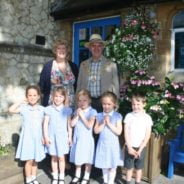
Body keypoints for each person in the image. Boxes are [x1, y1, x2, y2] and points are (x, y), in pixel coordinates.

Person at [8, 85, 45, 184]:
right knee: (29, 160)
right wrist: (20, 101)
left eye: (34, 95)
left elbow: (43, 125)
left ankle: (34, 177)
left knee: (35, 160)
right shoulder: (24, 108)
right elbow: (11, 110)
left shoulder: (42, 109)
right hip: (27, 139)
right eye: (30, 95)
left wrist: (44, 137)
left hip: (37, 138)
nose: (32, 97)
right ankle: (28, 180)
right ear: (27, 97)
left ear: (38, 96)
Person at [76, 34, 119, 112]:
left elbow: (116, 87)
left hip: (105, 103)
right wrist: (77, 105)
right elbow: (79, 85)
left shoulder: (111, 65)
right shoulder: (83, 65)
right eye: (93, 46)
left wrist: (116, 106)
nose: (96, 48)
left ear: (103, 47)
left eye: (99, 45)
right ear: (89, 48)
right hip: (87, 103)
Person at [43, 87, 72, 184]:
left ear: (64, 98)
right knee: (54, 157)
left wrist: (69, 137)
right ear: (52, 97)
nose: (58, 98)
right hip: (52, 137)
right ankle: (55, 177)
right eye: (56, 96)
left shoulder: (67, 110)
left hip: (63, 138)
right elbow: (45, 124)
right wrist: (46, 137)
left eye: (60, 96)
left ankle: (61, 177)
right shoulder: (48, 109)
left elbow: (69, 125)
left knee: (61, 158)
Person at [94, 91, 124, 184]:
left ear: (114, 104)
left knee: (113, 165)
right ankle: (105, 181)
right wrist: (103, 122)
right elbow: (96, 131)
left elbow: (119, 132)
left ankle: (110, 181)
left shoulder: (117, 116)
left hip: (113, 146)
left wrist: (109, 123)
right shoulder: (99, 116)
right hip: (103, 145)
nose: (106, 106)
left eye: (109, 104)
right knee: (104, 165)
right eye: (104, 104)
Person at [39, 39, 78, 107]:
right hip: (53, 105)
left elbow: (77, 85)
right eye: (59, 48)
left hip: (70, 104)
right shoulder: (48, 67)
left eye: (63, 48)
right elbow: (41, 87)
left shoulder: (73, 66)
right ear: (55, 51)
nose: (61, 51)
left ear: (67, 50)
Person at [124, 92, 153, 184]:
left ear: (144, 104)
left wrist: (140, 149)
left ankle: (137, 182)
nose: (135, 106)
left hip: (141, 147)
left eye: (138, 104)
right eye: (133, 104)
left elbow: (147, 135)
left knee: (139, 168)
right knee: (129, 168)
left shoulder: (147, 118)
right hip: (130, 146)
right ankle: (128, 182)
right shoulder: (129, 116)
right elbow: (126, 132)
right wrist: (129, 147)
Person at [69, 89, 97, 184]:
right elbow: (72, 124)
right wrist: (77, 115)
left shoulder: (93, 111)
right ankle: (77, 176)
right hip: (77, 139)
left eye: (84, 100)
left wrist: (82, 116)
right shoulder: (77, 111)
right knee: (78, 158)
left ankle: (86, 176)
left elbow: (89, 126)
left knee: (87, 159)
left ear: (89, 100)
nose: (82, 103)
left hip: (87, 140)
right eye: (80, 100)